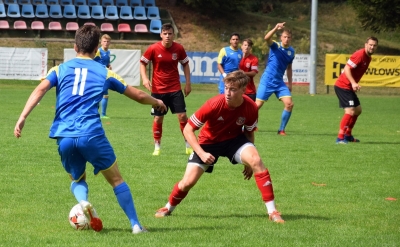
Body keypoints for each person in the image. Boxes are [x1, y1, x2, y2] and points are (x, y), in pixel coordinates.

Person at [13, 25, 167, 234]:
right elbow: (138, 95)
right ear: (97, 49)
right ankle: (136, 225)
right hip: (91, 133)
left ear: (75, 46)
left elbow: (40, 89)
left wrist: (22, 117)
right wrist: (156, 102)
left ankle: (84, 202)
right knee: (116, 179)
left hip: (65, 135)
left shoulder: (59, 69)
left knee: (77, 178)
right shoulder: (105, 72)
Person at [154, 70, 285, 224]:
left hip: (234, 140)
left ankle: (273, 212)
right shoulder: (213, 104)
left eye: (233, 89)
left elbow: (249, 133)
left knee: (256, 160)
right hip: (209, 143)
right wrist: (201, 153)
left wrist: (250, 163)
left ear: (244, 90)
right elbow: (188, 129)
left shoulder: (251, 108)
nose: (228, 93)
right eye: (226, 88)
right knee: (187, 182)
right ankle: (168, 207)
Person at [140, 23, 192, 156]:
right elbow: (142, 63)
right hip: (158, 90)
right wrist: (145, 79)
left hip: (175, 88)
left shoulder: (179, 48)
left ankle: (188, 145)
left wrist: (188, 83)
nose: (167, 36)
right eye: (165, 33)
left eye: (170, 34)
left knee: (182, 116)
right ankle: (157, 147)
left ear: (173, 35)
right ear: (161, 34)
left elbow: (185, 64)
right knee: (158, 119)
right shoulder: (153, 48)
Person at [334, 37, 378, 144]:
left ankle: (348, 135)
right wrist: (353, 83)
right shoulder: (360, 55)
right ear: (366, 44)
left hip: (349, 87)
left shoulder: (368, 57)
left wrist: (353, 84)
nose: (372, 47)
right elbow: (347, 68)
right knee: (350, 111)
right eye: (370, 44)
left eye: (374, 45)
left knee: (358, 110)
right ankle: (340, 138)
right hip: (343, 86)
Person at [256, 22, 295, 135]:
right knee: (256, 106)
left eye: (288, 37)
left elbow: (289, 68)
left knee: (289, 104)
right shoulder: (275, 46)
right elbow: (266, 38)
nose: (286, 39)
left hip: (279, 82)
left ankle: (281, 130)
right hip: (267, 80)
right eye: (284, 37)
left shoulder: (291, 52)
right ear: (280, 38)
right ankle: (246, 126)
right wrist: (276, 28)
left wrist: (290, 83)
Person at [94, 34, 112, 119]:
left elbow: (106, 62)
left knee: (102, 93)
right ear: (101, 42)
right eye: (104, 41)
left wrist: (109, 66)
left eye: (108, 41)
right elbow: (93, 61)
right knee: (102, 93)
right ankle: (102, 114)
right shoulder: (98, 51)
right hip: (98, 74)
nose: (106, 43)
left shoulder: (108, 52)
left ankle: (100, 113)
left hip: (104, 74)